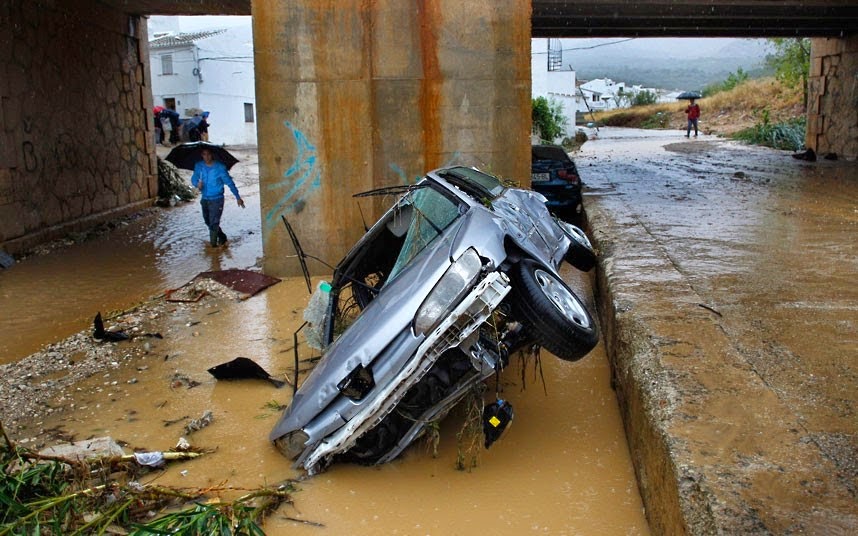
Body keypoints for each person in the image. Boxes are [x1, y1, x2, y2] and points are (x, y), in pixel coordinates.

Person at [191, 148, 245, 247]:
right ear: (201, 155)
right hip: (205, 198)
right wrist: (196, 184)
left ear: (212, 155)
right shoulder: (199, 166)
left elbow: (230, 183)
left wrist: (238, 197)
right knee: (207, 221)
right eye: (204, 154)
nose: (206, 157)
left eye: (208, 154)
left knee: (214, 222)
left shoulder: (220, 168)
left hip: (217, 199)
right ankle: (222, 237)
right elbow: (194, 178)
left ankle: (213, 247)